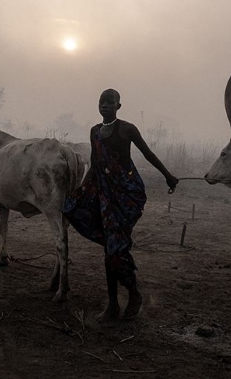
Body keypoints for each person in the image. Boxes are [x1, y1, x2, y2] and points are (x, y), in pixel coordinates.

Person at [63, 89, 179, 321]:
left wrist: (168, 175)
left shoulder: (127, 129)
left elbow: (147, 154)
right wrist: (80, 191)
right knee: (110, 247)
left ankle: (133, 294)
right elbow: (95, 165)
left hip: (126, 195)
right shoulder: (95, 132)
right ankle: (114, 304)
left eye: (110, 102)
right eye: (102, 102)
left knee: (114, 251)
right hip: (104, 196)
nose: (105, 106)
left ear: (119, 106)